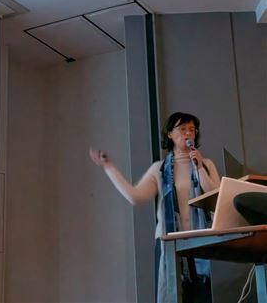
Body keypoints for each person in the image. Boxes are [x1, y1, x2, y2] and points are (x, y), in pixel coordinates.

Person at [89, 112, 220, 303]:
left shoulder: (207, 165)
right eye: (182, 129)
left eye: (192, 129)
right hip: (169, 243)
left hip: (203, 243)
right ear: (169, 134)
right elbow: (135, 197)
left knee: (206, 296)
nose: (188, 133)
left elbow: (217, 198)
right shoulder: (160, 169)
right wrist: (109, 167)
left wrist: (198, 167)